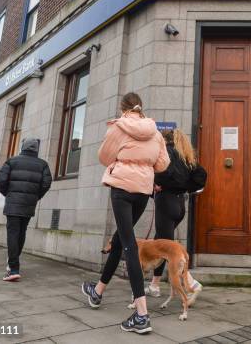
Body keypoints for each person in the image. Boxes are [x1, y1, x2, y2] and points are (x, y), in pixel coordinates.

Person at [81, 92, 169, 334]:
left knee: (129, 244)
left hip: (121, 189)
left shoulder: (119, 127)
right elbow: (163, 164)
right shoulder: (156, 132)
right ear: (142, 109)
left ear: (123, 109)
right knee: (121, 239)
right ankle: (97, 291)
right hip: (142, 191)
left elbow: (104, 157)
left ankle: (141, 314)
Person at [149, 129, 203, 303]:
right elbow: (201, 177)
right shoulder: (185, 156)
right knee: (161, 244)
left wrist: (157, 184)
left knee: (166, 248)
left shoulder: (167, 152)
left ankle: (191, 284)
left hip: (166, 201)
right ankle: (154, 284)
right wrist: (186, 188)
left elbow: (162, 173)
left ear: (164, 140)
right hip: (180, 205)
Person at [0, 138, 52, 282]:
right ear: (36, 149)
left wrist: (8, 194)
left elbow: (0, 180)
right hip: (29, 203)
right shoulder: (43, 165)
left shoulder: (11, 161)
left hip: (13, 204)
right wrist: (35, 196)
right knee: (21, 232)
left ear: (23, 147)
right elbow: (46, 183)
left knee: (13, 234)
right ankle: (13, 262)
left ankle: (13, 268)